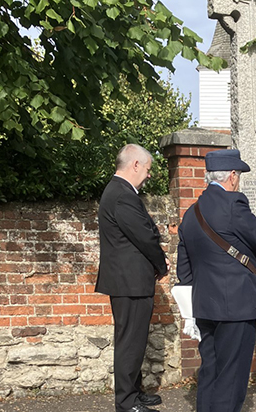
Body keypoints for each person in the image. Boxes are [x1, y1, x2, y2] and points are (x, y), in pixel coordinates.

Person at [176, 149, 256, 412]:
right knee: (231, 376)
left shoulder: (191, 213)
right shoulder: (234, 205)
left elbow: (184, 270)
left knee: (210, 371)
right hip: (235, 305)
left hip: (204, 305)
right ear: (232, 176)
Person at [95, 144, 169, 412]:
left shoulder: (120, 192)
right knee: (130, 343)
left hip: (129, 280)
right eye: (147, 169)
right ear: (135, 165)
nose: (148, 175)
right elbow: (145, 236)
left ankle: (134, 393)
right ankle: (126, 403)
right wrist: (162, 264)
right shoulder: (122, 195)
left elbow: (144, 232)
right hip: (130, 282)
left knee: (133, 341)